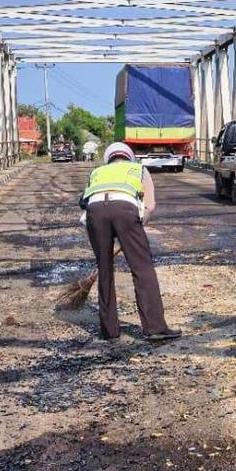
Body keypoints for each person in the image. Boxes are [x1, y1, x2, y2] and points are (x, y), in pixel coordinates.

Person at [81, 142, 181, 341]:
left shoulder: (97, 172)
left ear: (109, 159)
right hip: (125, 210)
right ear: (129, 158)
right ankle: (155, 328)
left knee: (105, 270)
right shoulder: (139, 169)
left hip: (95, 214)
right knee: (142, 268)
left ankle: (109, 332)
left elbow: (85, 203)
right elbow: (150, 206)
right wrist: (138, 224)